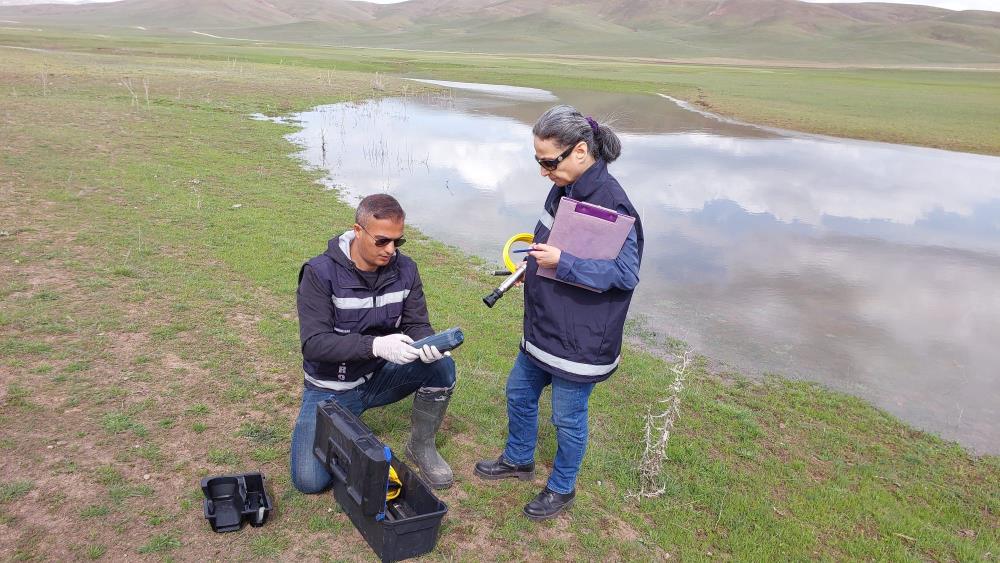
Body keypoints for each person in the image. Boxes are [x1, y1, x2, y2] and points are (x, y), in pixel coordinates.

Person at [475, 105, 643, 520]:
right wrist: (530, 269)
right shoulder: (561, 188)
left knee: (567, 418)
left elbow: (625, 274)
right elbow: (545, 241)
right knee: (518, 393)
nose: (543, 171)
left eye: (549, 161)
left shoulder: (616, 204)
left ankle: (562, 487)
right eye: (538, 161)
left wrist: (560, 261)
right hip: (543, 326)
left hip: (582, 338)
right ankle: (518, 460)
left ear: (581, 151)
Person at [290, 193, 457, 492]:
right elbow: (314, 344)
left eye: (398, 241)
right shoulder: (319, 273)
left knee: (442, 366)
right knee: (309, 481)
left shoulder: (406, 270)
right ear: (357, 231)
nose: (391, 250)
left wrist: (427, 343)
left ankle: (421, 446)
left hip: (379, 378)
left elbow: (416, 323)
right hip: (331, 389)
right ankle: (345, 429)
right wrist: (376, 346)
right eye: (382, 241)